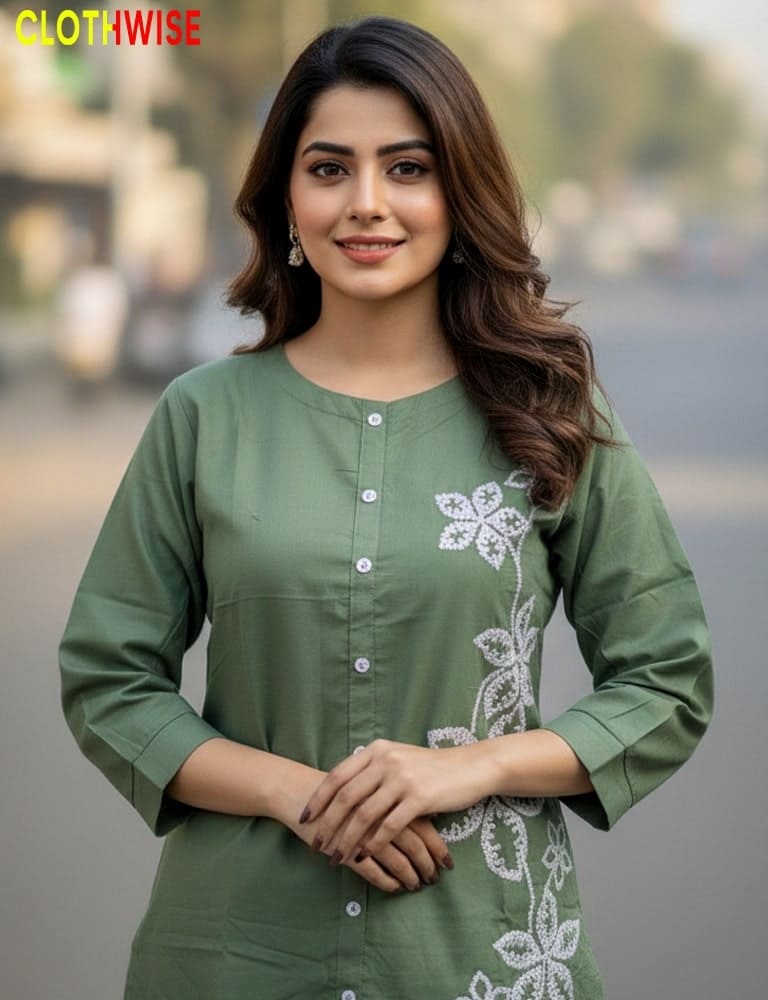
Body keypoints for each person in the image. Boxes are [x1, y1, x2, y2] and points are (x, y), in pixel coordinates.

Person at [58, 16, 714, 1000]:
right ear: (287, 195)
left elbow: (667, 677)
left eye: (407, 169)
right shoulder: (203, 419)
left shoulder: (548, 410)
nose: (367, 204)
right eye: (330, 169)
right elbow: (108, 676)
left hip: (474, 955)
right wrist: (299, 794)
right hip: (235, 955)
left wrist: (470, 768)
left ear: (459, 192)